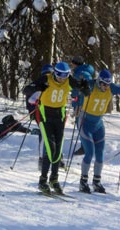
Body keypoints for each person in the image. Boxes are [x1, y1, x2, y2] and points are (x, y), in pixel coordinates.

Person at [25, 61, 90, 195]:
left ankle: (54, 179)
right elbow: (26, 90)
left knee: (58, 150)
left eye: (64, 76)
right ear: (55, 73)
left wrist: (84, 87)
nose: (62, 79)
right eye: (59, 76)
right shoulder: (46, 79)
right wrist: (38, 87)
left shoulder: (68, 80)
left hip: (59, 117)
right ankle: (42, 181)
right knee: (50, 148)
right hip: (45, 116)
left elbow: (84, 91)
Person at [77, 69, 120, 193]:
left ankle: (96, 182)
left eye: (107, 84)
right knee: (89, 152)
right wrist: (82, 83)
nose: (105, 87)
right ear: (98, 81)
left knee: (100, 154)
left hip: (98, 124)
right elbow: (80, 87)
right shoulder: (91, 85)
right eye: (103, 84)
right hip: (85, 122)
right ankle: (83, 182)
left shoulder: (111, 87)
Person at [70, 56, 95, 156]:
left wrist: (74, 94)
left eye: (73, 63)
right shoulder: (82, 71)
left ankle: (85, 146)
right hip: (81, 102)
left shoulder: (81, 74)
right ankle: (84, 145)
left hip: (81, 103)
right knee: (81, 124)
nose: (71, 65)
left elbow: (83, 88)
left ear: (76, 63)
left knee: (80, 124)